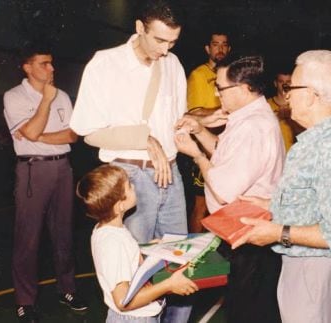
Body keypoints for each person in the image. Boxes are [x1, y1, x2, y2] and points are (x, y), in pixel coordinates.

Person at [69, 1, 191, 321]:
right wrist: (144, 138)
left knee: (180, 264)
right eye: (160, 40)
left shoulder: (173, 64)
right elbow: (86, 129)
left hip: (171, 173)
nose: (166, 50)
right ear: (139, 28)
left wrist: (199, 123)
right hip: (129, 177)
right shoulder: (105, 64)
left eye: (173, 42)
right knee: (134, 278)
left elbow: (176, 122)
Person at [232, 50, 331, 323]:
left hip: (320, 274)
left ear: (311, 95)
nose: (286, 95)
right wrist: (269, 205)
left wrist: (277, 233)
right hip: (314, 269)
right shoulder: (318, 140)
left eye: (290, 88)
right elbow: (318, 203)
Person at [175, 55, 284, 323]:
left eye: (221, 88)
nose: (215, 92)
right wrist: (200, 131)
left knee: (247, 312)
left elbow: (224, 187)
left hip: (250, 236)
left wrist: (197, 156)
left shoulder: (253, 127)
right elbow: (224, 155)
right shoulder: (246, 116)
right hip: (244, 232)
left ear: (244, 88)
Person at [3, 46, 86, 322]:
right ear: (27, 67)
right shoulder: (14, 96)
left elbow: (73, 135)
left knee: (64, 234)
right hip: (32, 170)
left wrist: (38, 135)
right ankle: (25, 301)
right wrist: (46, 102)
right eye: (44, 64)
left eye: (52, 63)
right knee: (29, 238)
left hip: (63, 167)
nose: (51, 69)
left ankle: (67, 289)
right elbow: (30, 132)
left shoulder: (62, 95)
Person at [76, 165, 198, 323]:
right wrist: (168, 285)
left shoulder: (106, 229)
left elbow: (122, 258)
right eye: (128, 186)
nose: (134, 186)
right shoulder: (113, 242)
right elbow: (123, 302)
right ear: (119, 205)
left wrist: (143, 249)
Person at [185, 30, 231, 233]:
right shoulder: (198, 75)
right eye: (215, 44)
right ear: (207, 48)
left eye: (224, 44)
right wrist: (225, 110)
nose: (220, 49)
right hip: (203, 148)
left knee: (223, 204)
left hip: (226, 146)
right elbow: (193, 112)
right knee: (201, 205)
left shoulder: (231, 75)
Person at [267, 68, 295, 151]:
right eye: (281, 81)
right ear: (275, 83)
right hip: (274, 153)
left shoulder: (297, 104)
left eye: (288, 82)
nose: (284, 85)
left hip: (294, 154)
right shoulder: (266, 105)